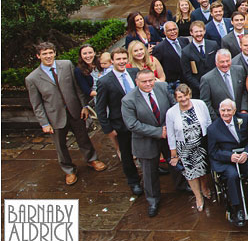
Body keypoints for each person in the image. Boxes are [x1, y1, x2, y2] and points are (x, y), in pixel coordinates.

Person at [26, 42, 107, 186]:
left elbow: (77, 88)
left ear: (55, 53)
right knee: (60, 145)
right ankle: (69, 170)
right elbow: (37, 104)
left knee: (83, 137)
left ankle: (92, 159)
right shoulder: (32, 78)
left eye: (50, 52)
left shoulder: (66, 65)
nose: (48, 56)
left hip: (75, 110)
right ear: (38, 56)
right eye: (44, 54)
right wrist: (44, 123)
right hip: (54, 116)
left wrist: (84, 106)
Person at [206, 98, 248, 226]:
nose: (225, 113)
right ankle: (236, 209)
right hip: (226, 160)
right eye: (223, 110)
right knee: (232, 175)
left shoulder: (244, 119)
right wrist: (229, 156)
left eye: (229, 110)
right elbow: (213, 152)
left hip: (244, 154)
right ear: (219, 111)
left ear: (234, 111)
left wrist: (246, 153)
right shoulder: (213, 129)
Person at [121, 68, 174, 217]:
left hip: (167, 135)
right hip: (145, 140)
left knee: (174, 162)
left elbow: (173, 107)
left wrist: (167, 128)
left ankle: (181, 185)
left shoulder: (162, 87)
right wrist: (158, 132)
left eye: (151, 80)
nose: (148, 84)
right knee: (149, 173)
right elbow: (132, 124)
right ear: (137, 82)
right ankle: (153, 200)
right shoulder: (128, 100)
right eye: (144, 82)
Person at [94, 48, 141, 194]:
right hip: (120, 124)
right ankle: (133, 181)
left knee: (146, 147)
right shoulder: (104, 81)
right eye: (118, 59)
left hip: (140, 119)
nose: (121, 61)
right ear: (112, 61)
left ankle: (152, 169)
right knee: (126, 154)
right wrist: (108, 129)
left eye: (124, 58)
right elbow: (100, 108)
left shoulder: (134, 73)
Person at [165, 82, 212, 211]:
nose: (184, 99)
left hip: (201, 144)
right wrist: (173, 152)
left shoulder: (200, 104)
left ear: (189, 94)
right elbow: (171, 133)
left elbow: (208, 122)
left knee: (203, 170)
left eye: (185, 96)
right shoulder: (171, 113)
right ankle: (198, 196)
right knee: (191, 174)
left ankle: (205, 187)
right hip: (185, 147)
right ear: (176, 98)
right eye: (180, 97)